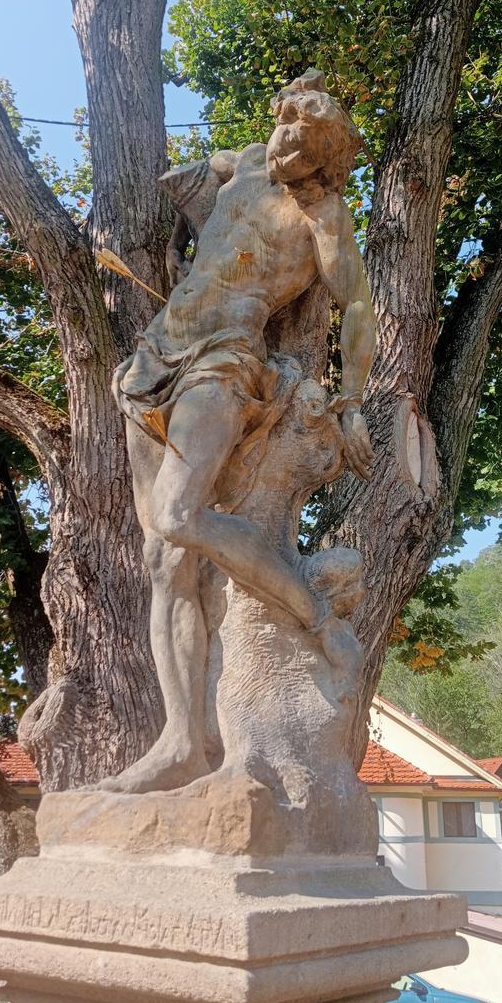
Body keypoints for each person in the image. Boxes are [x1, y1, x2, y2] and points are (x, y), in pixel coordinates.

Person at [106, 70, 376, 793]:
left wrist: (351, 402)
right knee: (165, 560)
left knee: (179, 516)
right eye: (283, 125)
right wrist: (204, 180)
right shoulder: (246, 163)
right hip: (153, 357)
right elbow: (185, 182)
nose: (285, 142)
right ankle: (179, 741)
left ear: (326, 155)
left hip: (225, 363)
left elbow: (356, 310)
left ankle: (316, 616)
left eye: (304, 137)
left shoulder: (327, 218)